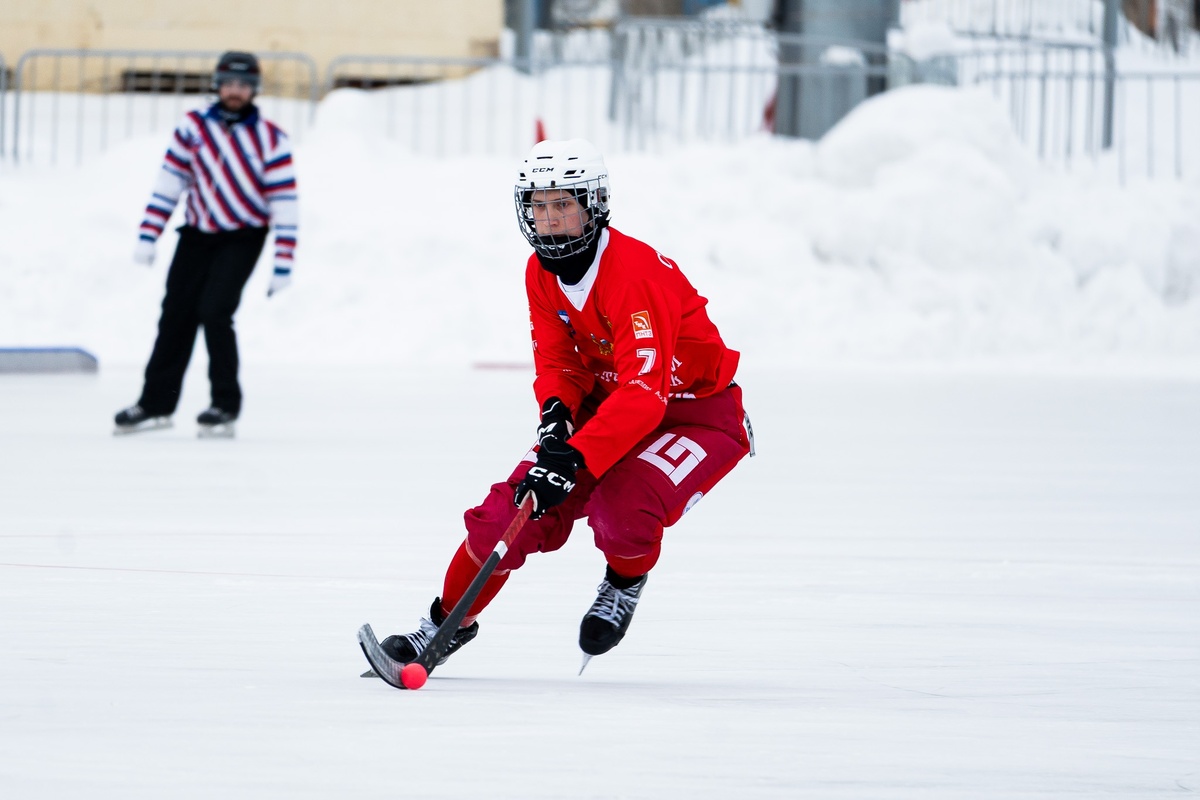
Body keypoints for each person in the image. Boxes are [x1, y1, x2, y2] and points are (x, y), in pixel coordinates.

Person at [379, 138, 753, 674]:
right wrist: (556, 421)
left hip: (693, 414)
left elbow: (644, 395)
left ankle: (624, 580)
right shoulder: (539, 272)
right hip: (607, 409)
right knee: (505, 518)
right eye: (539, 206)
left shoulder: (634, 275)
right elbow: (558, 361)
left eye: (563, 204)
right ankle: (440, 627)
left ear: (593, 205)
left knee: (621, 512)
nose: (550, 219)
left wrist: (575, 458)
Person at [113, 51, 298, 438]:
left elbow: (284, 203)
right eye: (228, 83)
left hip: (243, 236)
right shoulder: (193, 128)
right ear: (217, 84)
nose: (235, 91)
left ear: (254, 90)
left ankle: (224, 405)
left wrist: (283, 261)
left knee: (215, 312)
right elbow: (169, 184)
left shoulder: (269, 138)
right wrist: (149, 234)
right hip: (197, 234)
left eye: (243, 85)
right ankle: (155, 403)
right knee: (175, 313)